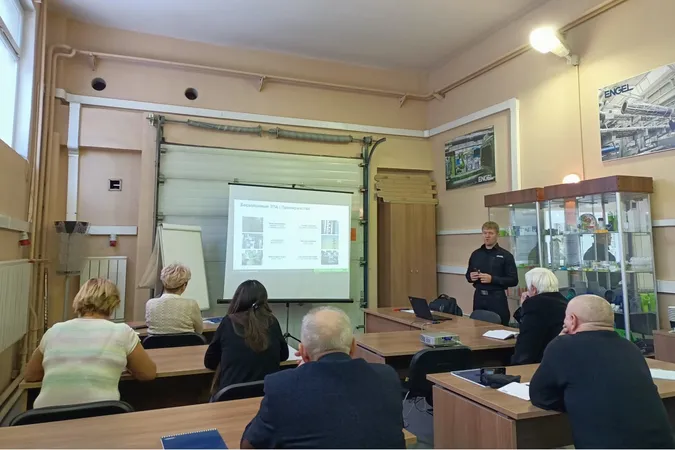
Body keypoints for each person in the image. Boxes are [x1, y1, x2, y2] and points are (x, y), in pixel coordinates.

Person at [241, 307, 405, 449]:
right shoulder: (387, 377)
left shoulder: (281, 386)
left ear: (303, 352)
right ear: (353, 347)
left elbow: (249, 445)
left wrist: (298, 374)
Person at [529, 295, 674, 449]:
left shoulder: (561, 346)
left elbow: (540, 396)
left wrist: (576, 401)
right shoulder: (630, 347)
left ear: (572, 320)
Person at [25, 279, 157, 408]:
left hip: (46, 416)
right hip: (101, 413)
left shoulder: (54, 331)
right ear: (115, 303)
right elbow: (147, 373)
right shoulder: (122, 332)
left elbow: (31, 375)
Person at [204, 280, 288, 394]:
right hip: (266, 395)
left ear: (238, 299)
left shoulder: (228, 322)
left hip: (230, 396)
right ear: (264, 300)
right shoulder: (272, 321)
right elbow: (284, 355)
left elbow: (210, 362)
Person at [465, 221, 518, 325]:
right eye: (485, 233)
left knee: (500, 326)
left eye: (490, 233)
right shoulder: (476, 254)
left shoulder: (506, 256)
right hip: (479, 296)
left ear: (497, 235)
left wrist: (492, 279)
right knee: (478, 325)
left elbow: (514, 280)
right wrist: (471, 277)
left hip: (496, 297)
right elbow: (468, 275)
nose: (487, 236)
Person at [511, 268, 566, 365]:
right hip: (562, 358)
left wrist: (515, 365)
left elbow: (527, 343)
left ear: (533, 289)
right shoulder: (564, 302)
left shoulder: (534, 305)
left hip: (541, 362)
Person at [145, 263, 203, 334]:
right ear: (184, 285)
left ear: (164, 283)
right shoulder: (191, 304)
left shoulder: (150, 304)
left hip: (156, 341)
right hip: (187, 341)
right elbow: (199, 331)